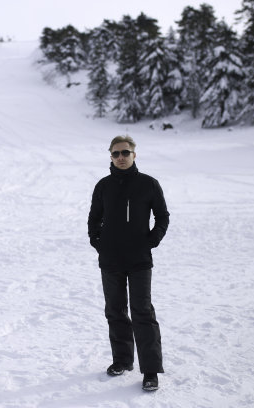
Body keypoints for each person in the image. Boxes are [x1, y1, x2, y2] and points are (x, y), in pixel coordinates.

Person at [88, 135, 169, 392]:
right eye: (115, 154)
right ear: (110, 156)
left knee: (142, 312)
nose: (120, 157)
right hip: (110, 259)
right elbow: (93, 219)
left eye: (125, 152)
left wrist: (151, 241)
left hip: (139, 260)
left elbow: (162, 216)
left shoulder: (148, 184)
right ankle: (122, 360)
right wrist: (98, 242)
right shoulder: (103, 186)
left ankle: (151, 371)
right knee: (115, 310)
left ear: (134, 155)